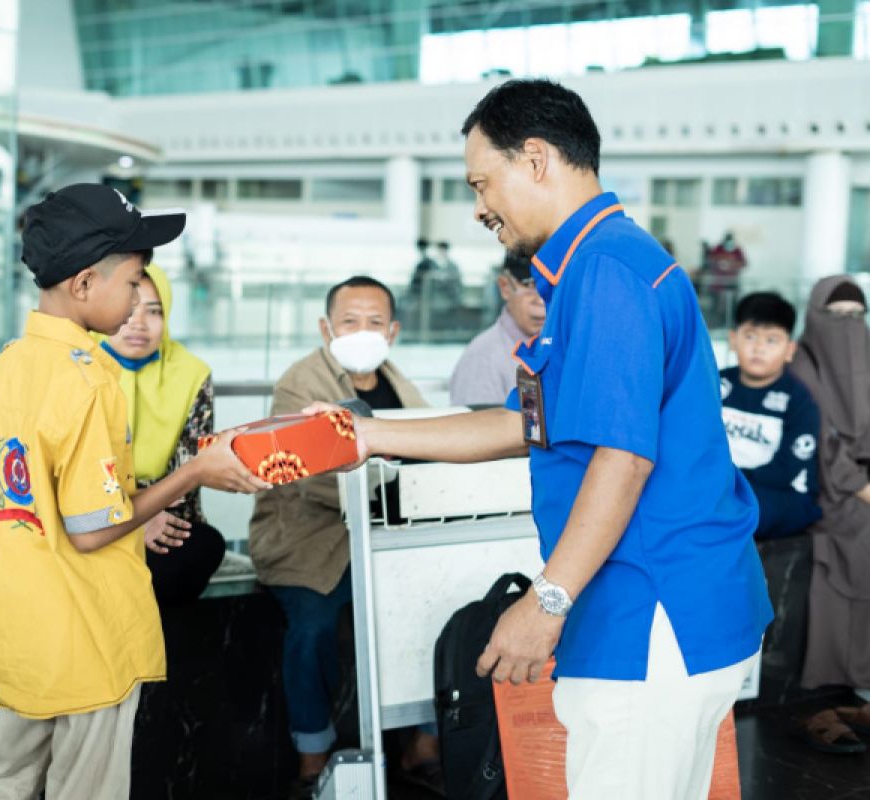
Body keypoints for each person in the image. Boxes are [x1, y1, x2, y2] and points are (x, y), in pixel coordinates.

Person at [307, 79, 771, 799]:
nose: (479, 206)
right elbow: (524, 422)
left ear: (535, 158)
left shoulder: (607, 270)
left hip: (651, 609)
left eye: (481, 182)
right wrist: (365, 435)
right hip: (646, 604)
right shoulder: (589, 268)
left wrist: (545, 602)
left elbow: (623, 459)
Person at [0, 184, 268, 800]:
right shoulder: (85, 381)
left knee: (1, 777)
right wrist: (195, 472)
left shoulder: (11, 367)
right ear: (82, 284)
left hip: (20, 628)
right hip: (83, 635)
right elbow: (92, 527)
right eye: (132, 282)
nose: (136, 300)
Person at [247, 276, 434, 799]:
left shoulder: (401, 385)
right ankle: (313, 757)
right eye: (349, 321)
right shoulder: (300, 383)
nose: (362, 332)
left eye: (374, 322)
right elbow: (310, 472)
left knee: (433, 610)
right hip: (309, 542)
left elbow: (428, 446)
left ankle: (424, 744)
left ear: (393, 330)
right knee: (313, 628)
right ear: (326, 327)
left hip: (383, 538)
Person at [100, 263, 227, 605]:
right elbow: (76, 470)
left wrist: (148, 513)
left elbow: (188, 474)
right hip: (90, 513)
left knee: (199, 547)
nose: (138, 323)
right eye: (128, 309)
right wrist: (130, 521)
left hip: (164, 516)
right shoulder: (81, 366)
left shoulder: (190, 373)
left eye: (153, 311)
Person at [789, 276, 870, 752]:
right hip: (827, 489)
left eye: (854, 317)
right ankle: (860, 678)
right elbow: (823, 447)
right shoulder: (803, 362)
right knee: (859, 538)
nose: (846, 327)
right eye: (835, 316)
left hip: (860, 483)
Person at [719, 292, 822, 539]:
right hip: (721, 485)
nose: (758, 348)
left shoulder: (798, 400)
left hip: (782, 494)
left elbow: (786, 470)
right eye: (750, 336)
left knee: (733, 511)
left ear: (789, 350)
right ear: (733, 340)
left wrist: (728, 482)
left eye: (771, 340)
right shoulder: (716, 384)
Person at [449, 252, 547, 405]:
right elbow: (477, 427)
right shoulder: (482, 360)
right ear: (505, 287)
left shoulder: (562, 346)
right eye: (529, 285)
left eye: (551, 286)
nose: (541, 300)